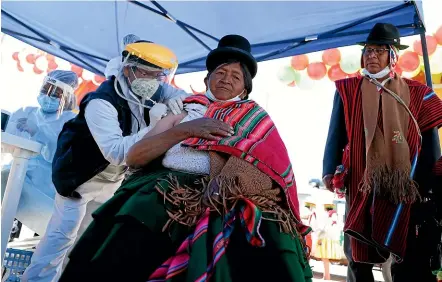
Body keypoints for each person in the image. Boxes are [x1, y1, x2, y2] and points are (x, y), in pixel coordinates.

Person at [59, 34, 313, 282]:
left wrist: (227, 181)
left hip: (226, 191)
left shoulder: (256, 120)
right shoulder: (183, 108)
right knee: (134, 228)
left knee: (265, 232)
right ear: (207, 78)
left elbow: (272, 169)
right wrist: (187, 129)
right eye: (220, 73)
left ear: (245, 87)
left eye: (236, 76)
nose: (226, 80)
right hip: (164, 189)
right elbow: (135, 157)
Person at [22, 38, 189, 282]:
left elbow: (180, 96)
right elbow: (116, 152)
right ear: (128, 68)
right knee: (61, 236)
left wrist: (184, 101)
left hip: (111, 180)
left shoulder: (152, 89)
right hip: (79, 177)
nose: (152, 81)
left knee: (91, 239)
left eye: (157, 75)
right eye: (146, 72)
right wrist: (155, 127)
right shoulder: (101, 102)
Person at [322, 23, 442, 282]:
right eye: (368, 51)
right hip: (361, 183)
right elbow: (335, 135)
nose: (372, 56)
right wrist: (328, 171)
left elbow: (430, 141)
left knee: (405, 254)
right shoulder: (348, 90)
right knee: (357, 255)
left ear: (393, 56)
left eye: (379, 51)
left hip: (406, 186)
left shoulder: (417, 93)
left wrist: (432, 184)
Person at [1, 70, 78, 235]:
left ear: (67, 96)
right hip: (15, 173)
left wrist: (38, 133)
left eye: (55, 93)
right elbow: (6, 147)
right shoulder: (26, 112)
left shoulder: (70, 122)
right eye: (45, 89)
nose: (48, 95)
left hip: (43, 187)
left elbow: (60, 155)